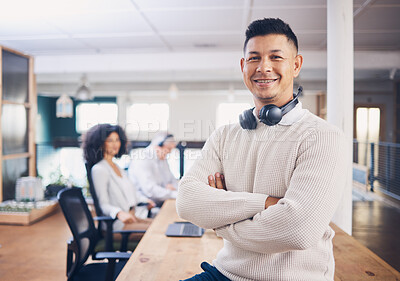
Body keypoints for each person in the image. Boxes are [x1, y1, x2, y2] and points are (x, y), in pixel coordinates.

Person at [176, 18, 348, 281]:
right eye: (254, 58)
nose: (264, 67)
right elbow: (187, 201)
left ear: (296, 64)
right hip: (224, 273)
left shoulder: (323, 137)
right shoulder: (224, 135)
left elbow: (297, 230)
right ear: (243, 66)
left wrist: (220, 221)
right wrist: (265, 203)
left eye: (276, 57)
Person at [82, 124, 154, 237]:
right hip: (118, 226)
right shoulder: (99, 169)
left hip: (133, 218)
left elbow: (131, 194)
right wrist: (118, 213)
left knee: (162, 225)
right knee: (158, 232)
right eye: (110, 140)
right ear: (100, 144)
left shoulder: (117, 167)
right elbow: (103, 205)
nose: (115, 144)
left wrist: (145, 201)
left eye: (117, 140)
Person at [128, 132, 179, 206]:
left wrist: (170, 189)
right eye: (168, 149)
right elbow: (151, 190)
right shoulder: (142, 159)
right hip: (145, 206)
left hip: (161, 201)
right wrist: (173, 193)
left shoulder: (162, 159)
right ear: (158, 145)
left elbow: (172, 180)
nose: (169, 152)